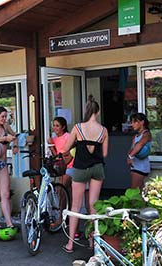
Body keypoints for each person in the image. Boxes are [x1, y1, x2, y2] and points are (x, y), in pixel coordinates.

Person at [62, 95, 109, 253]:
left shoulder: (77, 128)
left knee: (76, 206)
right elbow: (105, 154)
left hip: (80, 168)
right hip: (97, 168)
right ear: (98, 111)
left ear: (86, 111)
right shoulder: (103, 130)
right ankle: (92, 242)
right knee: (93, 205)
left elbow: (66, 149)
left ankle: (70, 244)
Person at [47, 116, 74, 190]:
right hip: (61, 168)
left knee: (60, 189)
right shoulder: (54, 139)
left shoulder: (68, 137)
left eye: (57, 126)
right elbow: (56, 156)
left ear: (63, 127)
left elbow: (71, 153)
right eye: (54, 125)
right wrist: (51, 146)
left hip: (70, 167)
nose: (55, 128)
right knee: (67, 192)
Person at [127, 113, 152, 190]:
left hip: (141, 168)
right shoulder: (135, 136)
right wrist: (129, 156)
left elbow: (140, 144)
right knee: (140, 193)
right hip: (135, 166)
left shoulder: (146, 134)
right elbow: (131, 148)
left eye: (135, 122)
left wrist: (130, 156)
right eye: (131, 122)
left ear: (142, 122)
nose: (132, 124)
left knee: (133, 192)